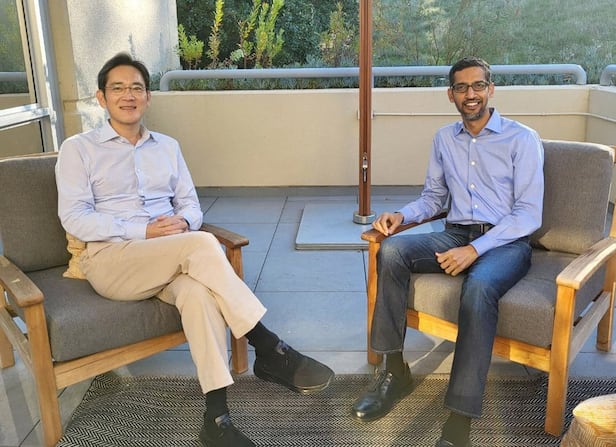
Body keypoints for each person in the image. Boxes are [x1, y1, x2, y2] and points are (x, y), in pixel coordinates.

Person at [55, 52, 334, 447]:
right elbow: (75, 217)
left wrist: (183, 223)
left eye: (136, 88)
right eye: (117, 88)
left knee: (199, 293)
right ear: (101, 98)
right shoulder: (78, 149)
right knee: (203, 244)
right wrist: (143, 230)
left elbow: (190, 204)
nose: (128, 95)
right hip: (113, 260)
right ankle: (269, 345)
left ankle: (216, 419)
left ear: (148, 97)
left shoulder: (167, 147)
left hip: (171, 254)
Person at [350, 57, 544, 447]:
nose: (470, 94)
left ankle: (459, 417)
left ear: (490, 89)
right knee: (391, 251)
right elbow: (434, 198)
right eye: (461, 87)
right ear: (450, 94)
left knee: (478, 288)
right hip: (455, 234)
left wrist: (475, 249)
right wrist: (401, 215)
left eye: (478, 85)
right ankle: (394, 371)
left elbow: (528, 214)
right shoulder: (444, 139)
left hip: (506, 243)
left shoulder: (522, 139)